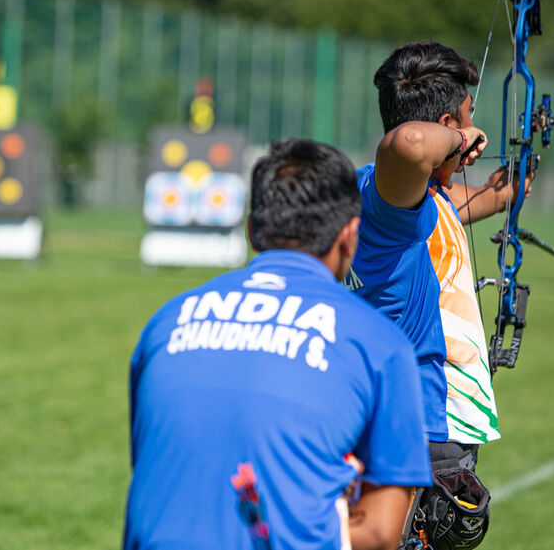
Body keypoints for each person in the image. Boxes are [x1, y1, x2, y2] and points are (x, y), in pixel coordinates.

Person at [125, 139, 431, 550]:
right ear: (350, 237)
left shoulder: (165, 321)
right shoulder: (379, 343)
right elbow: (379, 533)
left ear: (252, 230)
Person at [346, 41, 526, 548]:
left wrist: (507, 190)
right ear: (448, 125)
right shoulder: (385, 199)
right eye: (467, 116)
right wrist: (459, 135)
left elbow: (454, 206)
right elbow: (408, 145)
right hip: (424, 422)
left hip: (424, 423)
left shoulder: (415, 200)